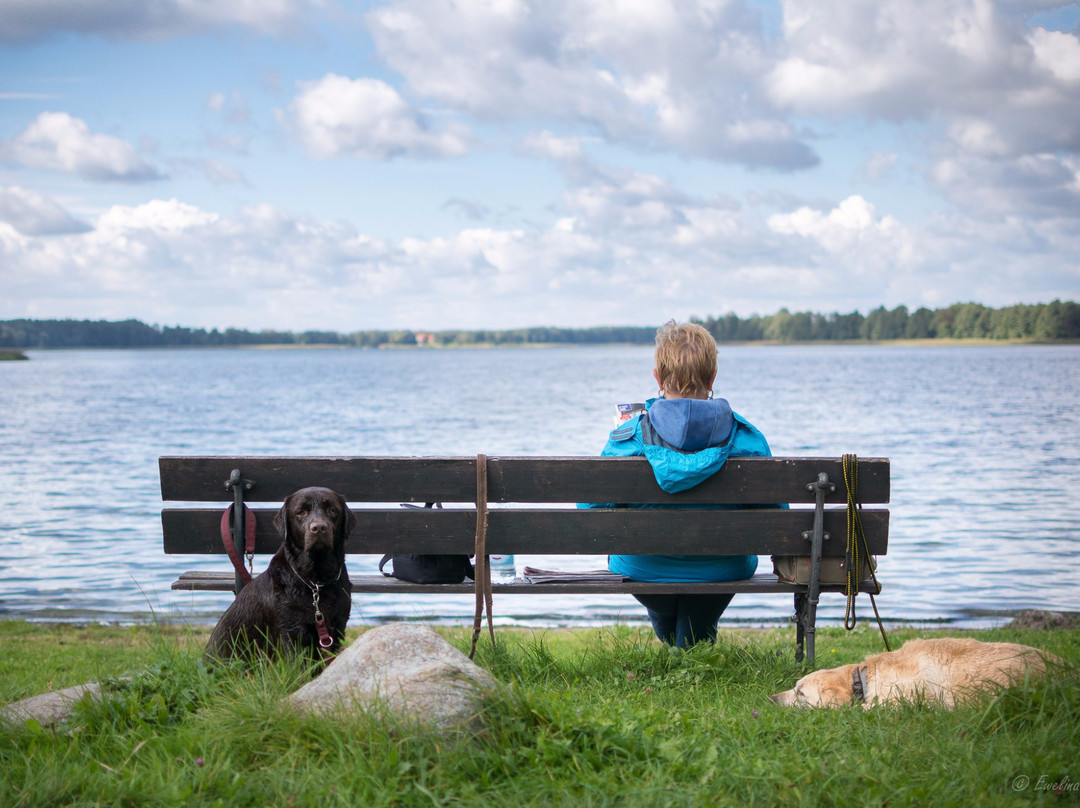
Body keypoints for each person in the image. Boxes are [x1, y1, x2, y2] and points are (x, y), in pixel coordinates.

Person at [596, 320, 775, 647]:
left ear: (657, 378)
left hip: (643, 567)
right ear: (712, 379)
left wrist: (619, 438)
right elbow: (775, 516)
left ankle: (680, 640)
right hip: (723, 567)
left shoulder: (629, 437)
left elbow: (589, 505)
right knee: (693, 623)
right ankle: (692, 645)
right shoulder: (749, 439)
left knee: (667, 607)